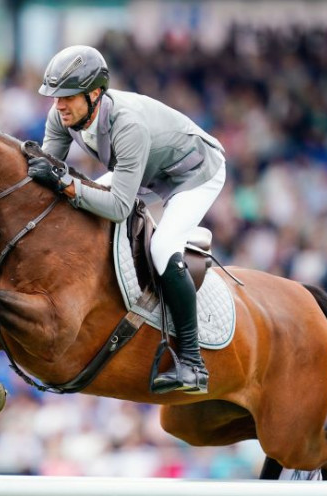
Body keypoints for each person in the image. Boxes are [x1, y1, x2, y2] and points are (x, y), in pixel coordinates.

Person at [28, 45, 226, 394]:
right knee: (81, 201)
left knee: (163, 246)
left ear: (94, 94)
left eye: (67, 97)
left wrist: (64, 184)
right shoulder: (61, 117)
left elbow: (118, 206)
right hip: (147, 171)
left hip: (195, 172)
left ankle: (193, 363)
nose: (59, 105)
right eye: (55, 97)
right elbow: (48, 172)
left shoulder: (127, 124)